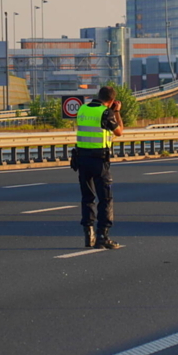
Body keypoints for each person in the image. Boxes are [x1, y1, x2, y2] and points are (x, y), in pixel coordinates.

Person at [71, 86, 124, 249]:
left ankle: (89, 235)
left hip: (81, 158)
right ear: (112, 100)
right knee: (105, 198)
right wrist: (116, 112)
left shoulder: (82, 109)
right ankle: (102, 236)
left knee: (87, 198)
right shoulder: (106, 112)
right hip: (99, 160)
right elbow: (119, 132)